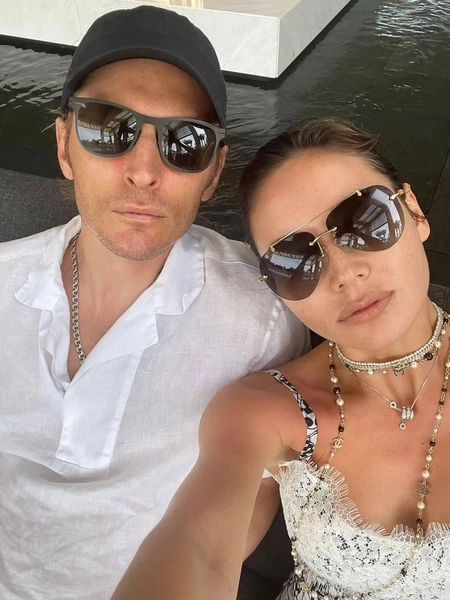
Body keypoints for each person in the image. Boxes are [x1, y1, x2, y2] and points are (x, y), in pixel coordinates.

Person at [0, 6, 309, 600]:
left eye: (184, 142)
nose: (144, 172)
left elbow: (250, 505)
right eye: (107, 128)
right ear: (64, 145)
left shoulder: (264, 317)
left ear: (213, 173)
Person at [112, 117, 450, 600]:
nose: (344, 273)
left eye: (365, 220)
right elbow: (199, 548)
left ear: (414, 212)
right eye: (294, 261)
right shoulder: (266, 410)